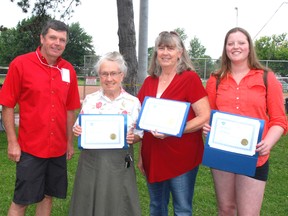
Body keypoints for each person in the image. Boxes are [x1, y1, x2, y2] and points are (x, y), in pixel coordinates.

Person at [203, 27, 288, 215]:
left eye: (241, 42)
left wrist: (268, 143)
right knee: (225, 209)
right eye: (230, 43)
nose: (236, 47)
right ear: (225, 48)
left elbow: (279, 120)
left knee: (248, 213)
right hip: (222, 154)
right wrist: (207, 127)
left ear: (249, 46)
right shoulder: (215, 79)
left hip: (255, 156)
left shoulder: (267, 77)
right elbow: (208, 115)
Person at [0, 20, 81, 216]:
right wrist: (12, 142)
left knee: (47, 196)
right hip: (30, 148)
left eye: (62, 39)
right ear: (42, 38)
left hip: (57, 148)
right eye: (53, 37)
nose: (57, 43)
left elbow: (70, 109)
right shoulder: (21, 64)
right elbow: (7, 105)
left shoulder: (68, 69)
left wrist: (69, 143)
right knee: (21, 200)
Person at [137, 31, 210, 215]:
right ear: (156, 53)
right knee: (156, 206)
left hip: (182, 156)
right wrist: (141, 157)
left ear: (180, 52)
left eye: (171, 48)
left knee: (182, 209)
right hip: (153, 155)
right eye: (161, 48)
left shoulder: (189, 78)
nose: (165, 52)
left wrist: (175, 130)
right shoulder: (149, 82)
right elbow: (142, 121)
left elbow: (204, 116)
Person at [69, 51, 143, 216]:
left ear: (121, 75)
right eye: (104, 74)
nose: (109, 78)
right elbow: (78, 126)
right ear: (99, 76)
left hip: (119, 163)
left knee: (119, 202)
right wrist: (77, 130)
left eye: (113, 73)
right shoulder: (90, 100)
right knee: (88, 201)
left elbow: (140, 133)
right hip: (91, 163)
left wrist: (134, 138)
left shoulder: (133, 102)